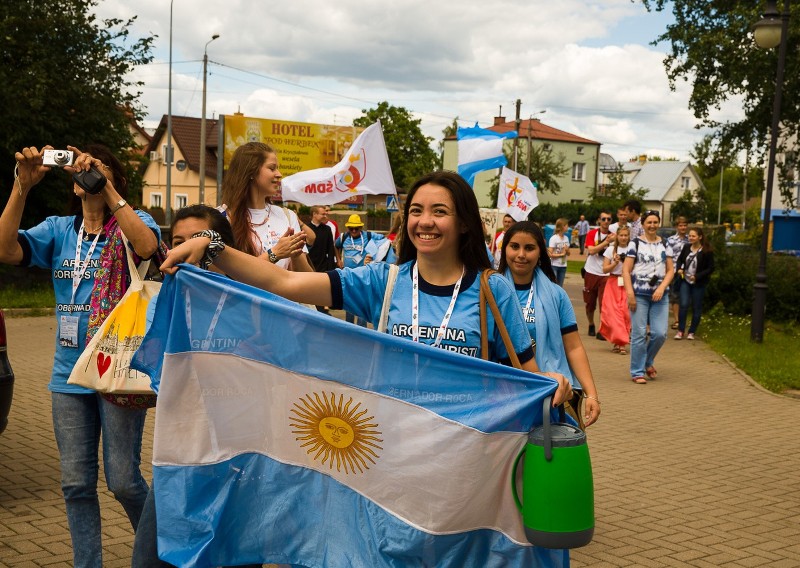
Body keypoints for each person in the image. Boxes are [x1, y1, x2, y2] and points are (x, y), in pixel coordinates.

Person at [160, 170, 573, 408]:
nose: (424, 221)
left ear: (464, 222)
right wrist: (212, 247)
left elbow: (527, 377)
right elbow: (283, 282)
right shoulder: (383, 280)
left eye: (439, 212)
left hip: (467, 449)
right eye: (416, 211)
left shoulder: (492, 289)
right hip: (392, 443)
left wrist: (556, 383)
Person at [0, 144, 161, 567]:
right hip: (66, 375)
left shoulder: (132, 220)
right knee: (75, 484)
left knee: (124, 480)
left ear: (115, 180)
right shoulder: (59, 230)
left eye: (98, 165)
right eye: (83, 167)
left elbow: (145, 247)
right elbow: (6, 250)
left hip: (118, 367)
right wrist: (22, 186)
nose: (87, 170)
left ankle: (163, 552)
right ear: (72, 184)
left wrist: (106, 188)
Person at [132, 205, 261, 568]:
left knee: (235, 556)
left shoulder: (253, 301)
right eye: (177, 243)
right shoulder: (167, 301)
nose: (187, 251)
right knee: (150, 559)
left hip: (240, 460)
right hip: (180, 452)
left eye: (198, 241)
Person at [499, 221, 600, 427]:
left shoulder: (557, 295)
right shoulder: (490, 292)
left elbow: (573, 347)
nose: (521, 254)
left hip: (550, 393)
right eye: (515, 246)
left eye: (529, 248)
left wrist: (592, 394)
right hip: (501, 395)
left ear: (540, 253)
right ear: (505, 249)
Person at [219, 141, 313, 272]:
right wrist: (274, 253)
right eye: (272, 168)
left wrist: (295, 255)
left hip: (281, 293)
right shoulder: (221, 218)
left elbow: (306, 279)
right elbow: (224, 274)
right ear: (251, 172)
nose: (279, 174)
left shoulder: (287, 216)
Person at [622, 210, 674, 384]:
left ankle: (647, 361)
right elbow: (626, 270)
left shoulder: (666, 244)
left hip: (660, 295)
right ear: (643, 224)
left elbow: (670, 270)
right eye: (649, 222)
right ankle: (637, 371)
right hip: (638, 295)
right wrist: (630, 293)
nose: (652, 225)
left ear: (659, 224)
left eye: (655, 222)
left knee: (660, 333)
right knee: (639, 333)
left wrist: (662, 287)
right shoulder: (635, 243)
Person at [334, 213, 384, 327]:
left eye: (356, 228)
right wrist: (338, 259)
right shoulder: (343, 237)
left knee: (362, 304)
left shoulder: (368, 236)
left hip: (364, 277)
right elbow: (336, 246)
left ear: (361, 228)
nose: (354, 230)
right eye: (351, 228)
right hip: (348, 276)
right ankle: (350, 328)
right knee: (349, 304)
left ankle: (362, 330)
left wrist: (374, 255)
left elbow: (384, 239)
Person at [674, 227, 715, 340]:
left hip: (699, 283)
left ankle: (692, 331)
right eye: (689, 236)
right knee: (684, 304)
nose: (690, 238)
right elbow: (680, 260)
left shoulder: (707, 251)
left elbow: (711, 268)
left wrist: (697, 276)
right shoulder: (686, 247)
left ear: (700, 237)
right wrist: (679, 269)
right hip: (685, 280)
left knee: (697, 307)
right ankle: (680, 330)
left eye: (693, 236)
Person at [582, 211, 615, 338]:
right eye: (604, 219)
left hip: (606, 274)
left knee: (604, 304)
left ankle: (603, 329)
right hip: (591, 272)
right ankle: (591, 324)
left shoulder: (614, 236)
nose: (606, 221)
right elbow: (591, 250)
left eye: (609, 219)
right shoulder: (592, 234)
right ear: (599, 221)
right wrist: (606, 242)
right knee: (590, 304)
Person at [600, 225, 632, 355]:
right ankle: (620, 343)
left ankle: (620, 341)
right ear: (617, 236)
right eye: (621, 235)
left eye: (626, 235)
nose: (623, 238)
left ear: (629, 236)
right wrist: (615, 262)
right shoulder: (611, 250)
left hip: (627, 282)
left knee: (625, 312)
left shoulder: (632, 249)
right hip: (613, 283)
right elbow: (604, 269)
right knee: (613, 314)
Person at [666, 216, 690, 330]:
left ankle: (683, 319)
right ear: (677, 227)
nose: (683, 227)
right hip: (675, 271)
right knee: (675, 296)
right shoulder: (671, 240)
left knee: (684, 296)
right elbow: (667, 257)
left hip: (688, 271)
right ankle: (677, 320)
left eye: (685, 225)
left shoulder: (689, 240)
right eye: (681, 225)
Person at [547, 218, 571, 287]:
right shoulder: (554, 238)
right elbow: (550, 254)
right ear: (562, 226)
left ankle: (558, 298)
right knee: (553, 285)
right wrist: (561, 254)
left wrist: (567, 250)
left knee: (560, 287)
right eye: (566, 225)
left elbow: (568, 253)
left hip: (563, 265)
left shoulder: (566, 238)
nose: (568, 227)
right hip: (554, 265)